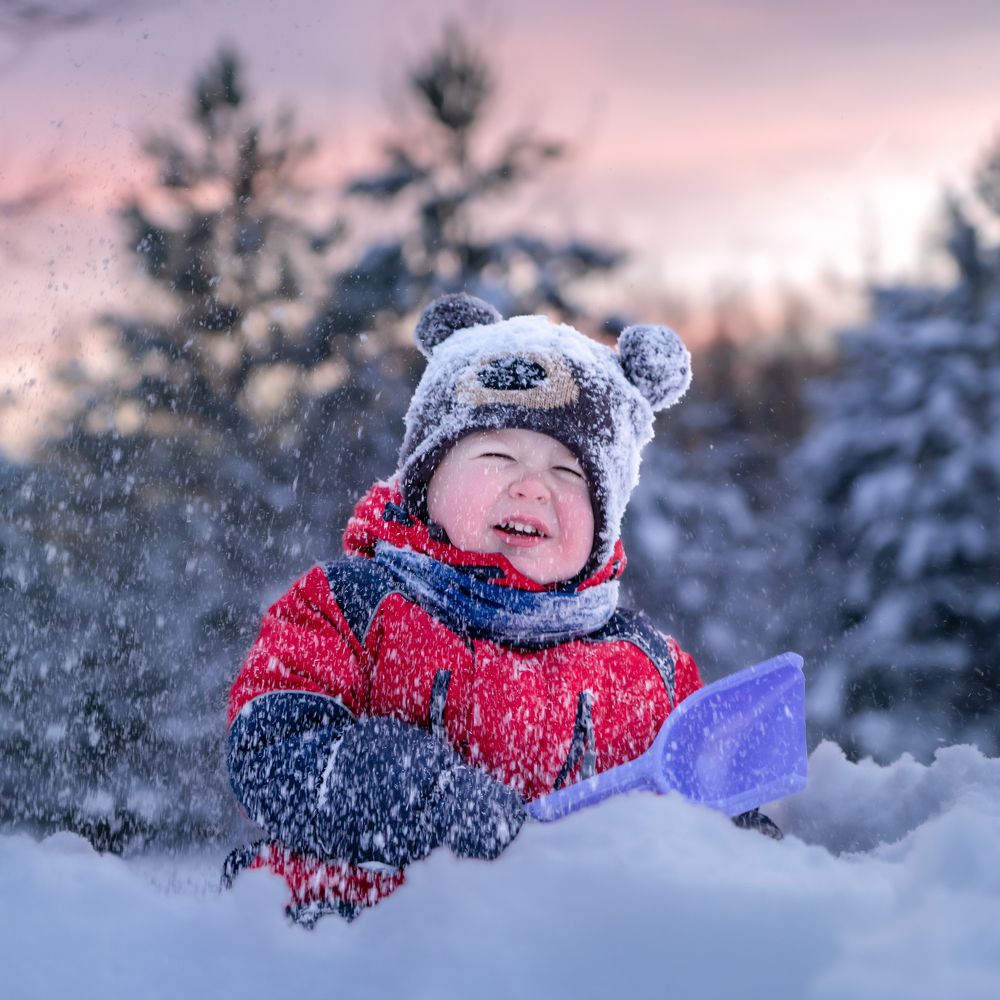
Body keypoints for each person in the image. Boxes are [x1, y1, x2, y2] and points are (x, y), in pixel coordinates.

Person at [224, 293, 764, 927]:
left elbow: (703, 793)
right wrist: (417, 795)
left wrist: (741, 849)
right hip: (367, 941)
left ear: (604, 524)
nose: (532, 485)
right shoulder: (349, 607)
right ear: (426, 481)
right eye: (497, 456)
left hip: (568, 953)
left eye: (569, 472)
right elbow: (269, 747)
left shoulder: (651, 670)